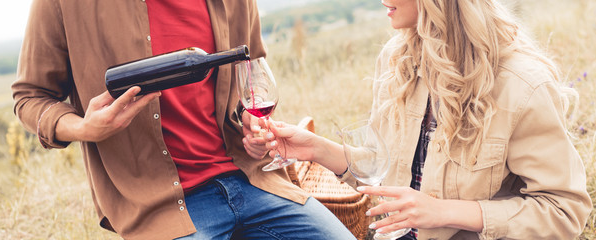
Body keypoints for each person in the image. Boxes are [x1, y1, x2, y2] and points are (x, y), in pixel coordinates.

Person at [11, 0, 355, 239]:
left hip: (254, 181)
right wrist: (85, 128)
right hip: (159, 204)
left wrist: (251, 123)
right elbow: (30, 96)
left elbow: (251, 70)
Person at [252, 0, 592, 239]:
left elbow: (564, 212)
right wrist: (315, 148)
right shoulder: (396, 60)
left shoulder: (521, 85)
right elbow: (383, 169)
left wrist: (444, 212)